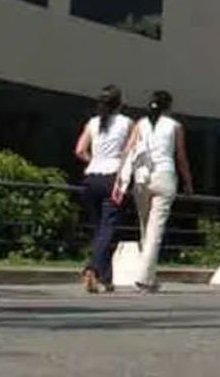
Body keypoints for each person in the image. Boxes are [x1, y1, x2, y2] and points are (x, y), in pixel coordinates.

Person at [115, 90, 193, 293]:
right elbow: (180, 156)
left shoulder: (140, 124)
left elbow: (128, 151)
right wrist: (188, 182)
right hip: (165, 176)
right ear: (169, 107)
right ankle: (145, 277)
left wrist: (120, 178)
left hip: (142, 177)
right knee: (155, 231)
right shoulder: (175, 126)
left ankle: (148, 275)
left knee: (145, 227)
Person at [73, 85, 132, 293]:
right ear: (120, 104)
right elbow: (129, 152)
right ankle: (92, 269)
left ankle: (107, 278)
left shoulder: (93, 123)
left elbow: (80, 150)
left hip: (91, 177)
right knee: (109, 228)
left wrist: (94, 160)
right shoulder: (126, 123)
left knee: (100, 229)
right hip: (113, 178)